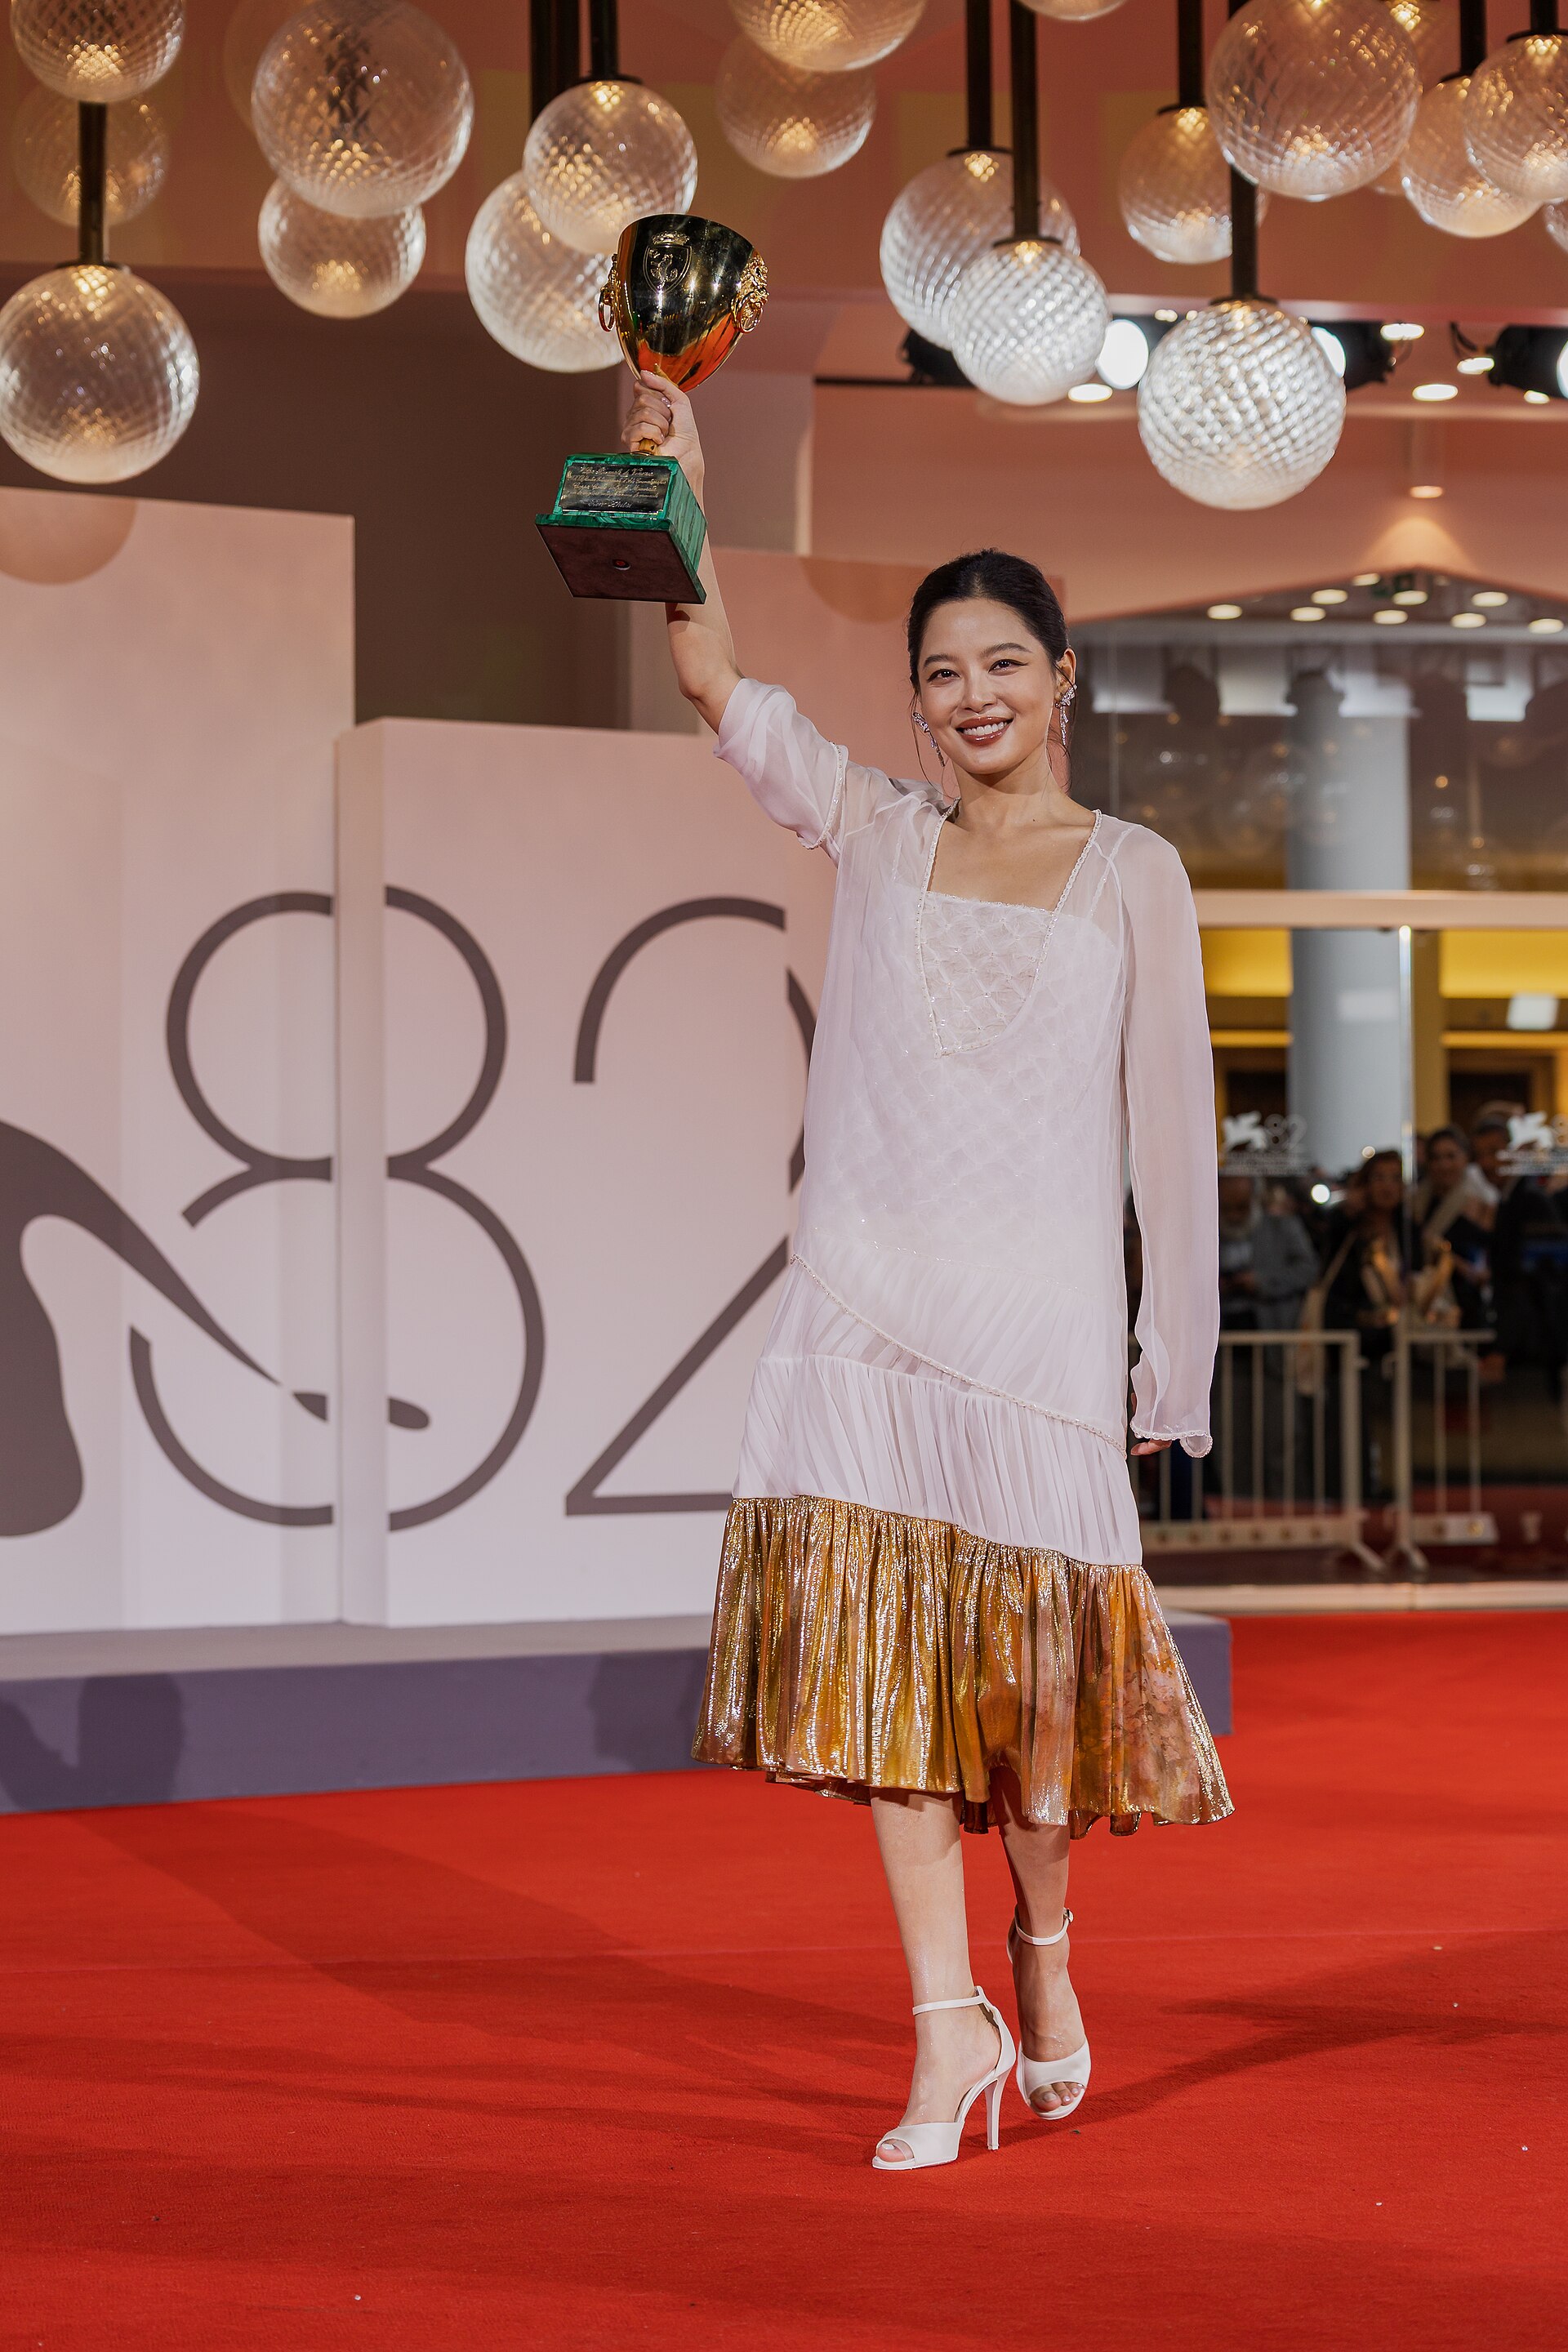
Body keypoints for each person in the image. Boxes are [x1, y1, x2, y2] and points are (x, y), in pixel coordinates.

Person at [624, 372, 1230, 2174]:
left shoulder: (1136, 873)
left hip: (1034, 1327)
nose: (971, 696)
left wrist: (1167, 1360)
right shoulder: (876, 828)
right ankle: (939, 2025)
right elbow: (710, 672)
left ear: (1061, 679)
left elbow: (1171, 1133)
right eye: (941, 672)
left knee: (1029, 1707)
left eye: (1002, 663)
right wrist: (680, 470)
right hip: (866, 1303)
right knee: (884, 1678)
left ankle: (1041, 1953)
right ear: (918, 700)